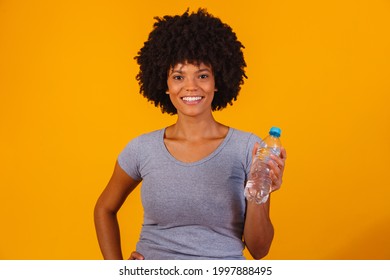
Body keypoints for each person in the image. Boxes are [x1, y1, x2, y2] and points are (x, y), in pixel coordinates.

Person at [94, 8, 287, 260]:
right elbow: (104, 209)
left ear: (218, 81)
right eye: (178, 76)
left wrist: (260, 193)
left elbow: (259, 250)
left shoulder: (248, 148)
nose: (191, 87)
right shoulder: (142, 149)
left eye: (203, 75)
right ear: (166, 84)